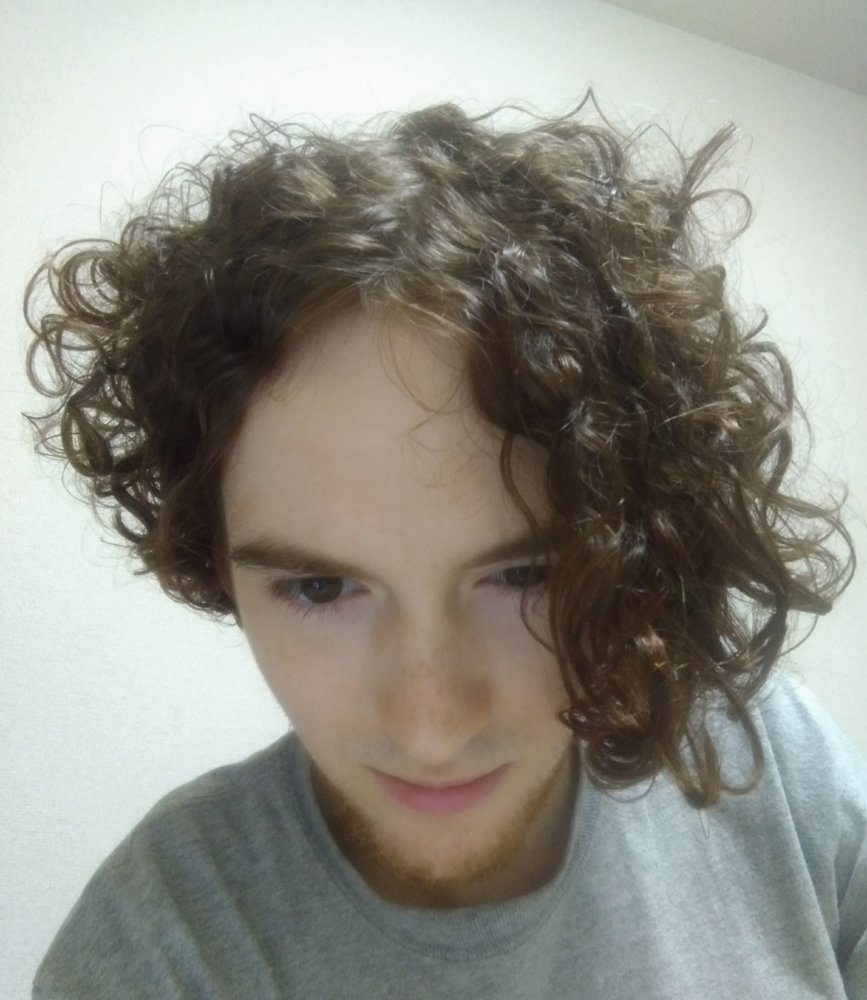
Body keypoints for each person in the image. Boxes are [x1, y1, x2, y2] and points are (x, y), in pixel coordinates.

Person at [25, 96, 866, 998]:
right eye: (319, 589)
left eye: (523, 575)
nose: (433, 728)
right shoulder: (162, 940)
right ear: (214, 563)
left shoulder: (762, 759)